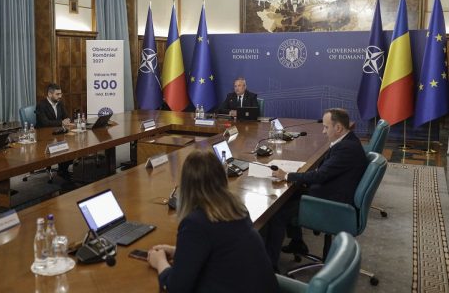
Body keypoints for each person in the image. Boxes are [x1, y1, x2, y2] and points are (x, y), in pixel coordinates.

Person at [147, 150, 279, 293]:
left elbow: (176, 287)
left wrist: (159, 261)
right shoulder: (237, 209)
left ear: (186, 186)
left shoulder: (195, 223)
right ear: (222, 178)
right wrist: (180, 252)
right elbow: (222, 252)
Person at [262, 108, 368, 270]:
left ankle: (270, 268)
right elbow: (324, 172)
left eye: (326, 127)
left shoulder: (346, 149)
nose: (323, 131)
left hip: (335, 204)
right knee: (292, 194)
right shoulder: (348, 141)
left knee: (276, 212)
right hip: (336, 190)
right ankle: (297, 243)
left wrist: (287, 175)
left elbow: (320, 176)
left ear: (338, 128)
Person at [36, 83, 72, 180]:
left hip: (58, 133)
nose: (60, 96)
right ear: (49, 94)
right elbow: (44, 123)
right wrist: (61, 122)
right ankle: (63, 171)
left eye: (61, 94)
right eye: (57, 94)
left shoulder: (60, 103)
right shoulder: (41, 105)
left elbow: (66, 116)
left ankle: (63, 169)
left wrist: (67, 120)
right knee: (63, 146)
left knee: (71, 145)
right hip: (44, 136)